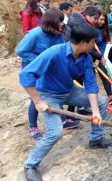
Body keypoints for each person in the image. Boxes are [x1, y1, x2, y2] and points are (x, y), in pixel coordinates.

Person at [20, 23, 112, 181]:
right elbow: (25, 76)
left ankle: (96, 139)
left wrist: (95, 112)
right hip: (49, 94)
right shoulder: (53, 53)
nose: (94, 45)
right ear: (83, 42)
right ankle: (30, 165)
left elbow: (91, 85)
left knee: (101, 101)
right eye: (93, 42)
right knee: (55, 132)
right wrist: (38, 101)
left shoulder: (85, 58)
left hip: (68, 91)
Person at [17, 8, 80, 140]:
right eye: (60, 22)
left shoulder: (59, 36)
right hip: (34, 68)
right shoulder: (35, 34)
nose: (62, 25)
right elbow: (21, 50)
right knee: (37, 96)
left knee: (55, 91)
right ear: (52, 22)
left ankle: (63, 120)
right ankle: (33, 127)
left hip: (50, 69)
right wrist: (41, 59)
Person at [65, 6, 105, 115]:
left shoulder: (81, 22)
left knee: (80, 82)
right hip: (71, 57)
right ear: (88, 16)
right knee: (76, 84)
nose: (96, 21)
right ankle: (70, 114)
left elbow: (86, 47)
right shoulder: (79, 25)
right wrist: (99, 56)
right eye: (95, 19)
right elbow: (84, 46)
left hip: (79, 57)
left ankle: (76, 110)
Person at [96, 10, 112, 104]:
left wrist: (101, 57)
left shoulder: (104, 30)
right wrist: (95, 57)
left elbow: (103, 46)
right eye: (101, 19)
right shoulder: (92, 30)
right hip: (90, 57)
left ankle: (111, 96)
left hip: (100, 57)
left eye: (104, 20)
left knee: (105, 75)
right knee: (90, 79)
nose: (102, 22)